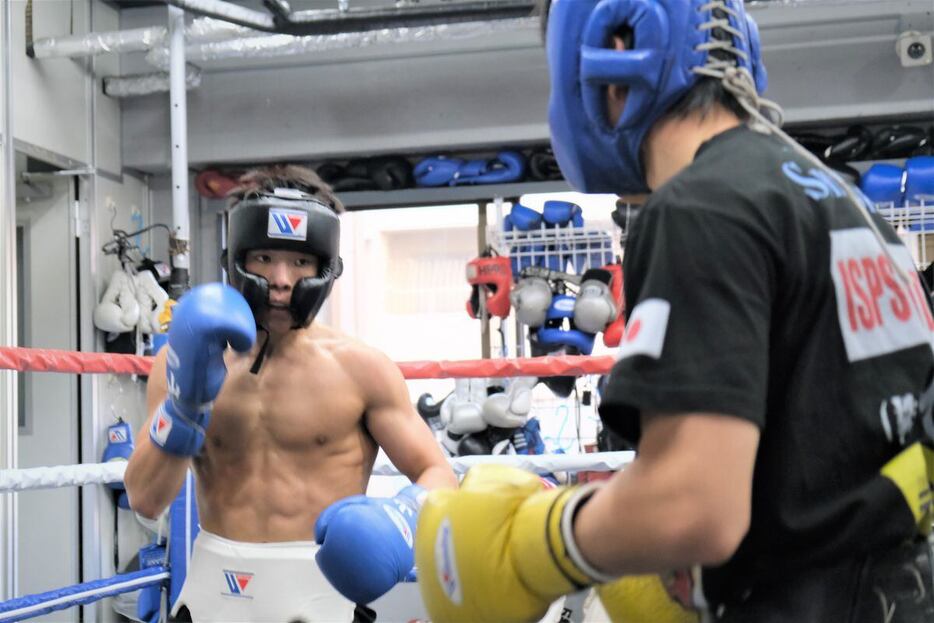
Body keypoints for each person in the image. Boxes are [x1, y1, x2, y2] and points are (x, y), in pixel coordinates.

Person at [414, 0, 934, 621]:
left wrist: (532, 543)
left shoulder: (702, 207)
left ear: (613, 51)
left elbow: (694, 506)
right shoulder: (841, 202)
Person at [124, 165, 457, 623]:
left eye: (300, 262)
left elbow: (437, 473)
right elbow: (144, 499)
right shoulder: (181, 361)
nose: (281, 279)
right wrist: (184, 409)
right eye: (264, 257)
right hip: (208, 600)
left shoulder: (362, 370)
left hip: (320, 605)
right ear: (237, 259)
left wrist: (402, 516)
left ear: (326, 269)